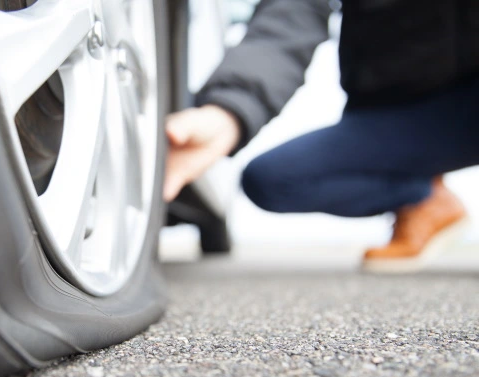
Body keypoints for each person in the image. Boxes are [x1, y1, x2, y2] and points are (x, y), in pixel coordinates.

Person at [166, 0, 479, 272]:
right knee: (271, 179)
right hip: (391, 114)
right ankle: (425, 200)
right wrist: (229, 111)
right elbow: (290, 17)